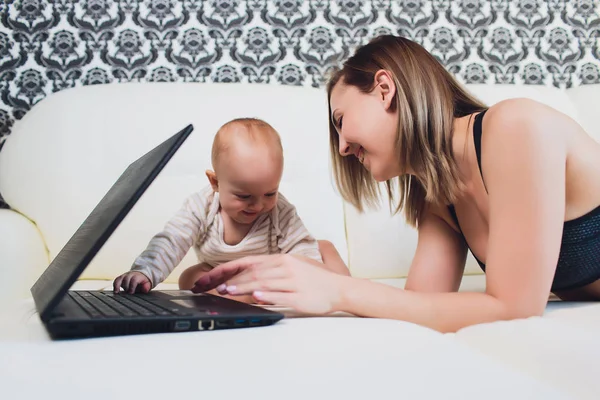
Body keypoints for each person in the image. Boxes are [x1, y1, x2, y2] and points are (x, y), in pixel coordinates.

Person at [189, 35, 600, 332]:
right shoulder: (440, 200)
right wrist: (278, 286)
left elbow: (515, 308)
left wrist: (338, 291)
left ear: (384, 89)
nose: (343, 146)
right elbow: (419, 306)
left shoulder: (515, 126)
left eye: (340, 121)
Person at [113, 117, 349, 303]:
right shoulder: (201, 206)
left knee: (322, 247)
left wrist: (312, 278)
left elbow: (300, 246)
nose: (258, 205)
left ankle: (346, 290)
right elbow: (172, 239)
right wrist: (145, 272)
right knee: (190, 277)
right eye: (244, 196)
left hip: (267, 273)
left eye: (269, 193)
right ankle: (239, 295)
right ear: (215, 183)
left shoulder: (281, 210)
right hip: (218, 271)